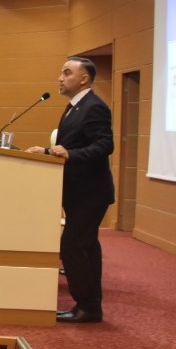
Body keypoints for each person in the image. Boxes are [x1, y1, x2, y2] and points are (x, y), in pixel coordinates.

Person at [26, 56, 115, 323]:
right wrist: (45, 151)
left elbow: (104, 146)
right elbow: (70, 145)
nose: (60, 78)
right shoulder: (75, 107)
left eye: (66, 73)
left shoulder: (94, 107)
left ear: (84, 78)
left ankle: (87, 307)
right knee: (86, 246)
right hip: (78, 192)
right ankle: (90, 306)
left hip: (91, 193)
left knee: (73, 247)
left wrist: (72, 154)